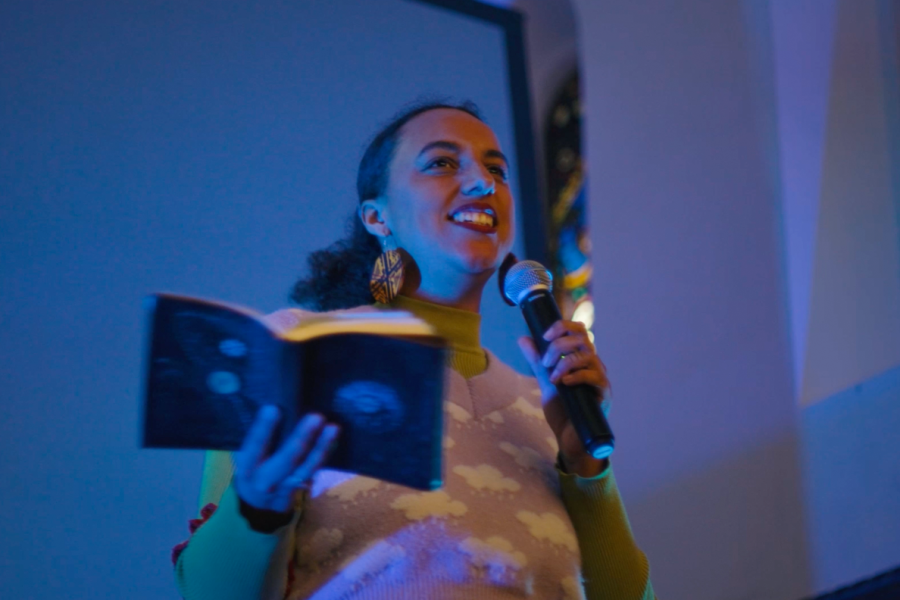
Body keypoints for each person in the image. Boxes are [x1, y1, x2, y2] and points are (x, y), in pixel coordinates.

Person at [173, 101, 655, 599]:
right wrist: (257, 506)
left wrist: (585, 469)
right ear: (377, 217)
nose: (483, 183)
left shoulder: (547, 407)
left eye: (497, 171)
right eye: (442, 163)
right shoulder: (296, 352)